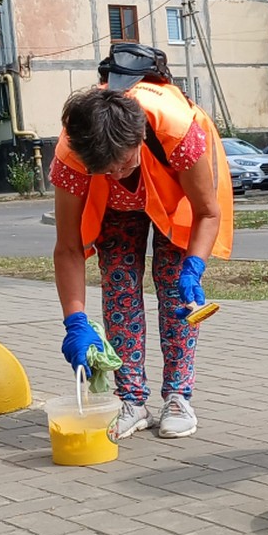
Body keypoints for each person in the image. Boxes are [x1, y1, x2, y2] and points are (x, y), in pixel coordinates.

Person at [51, 44, 234, 440]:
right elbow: (67, 247)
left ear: (139, 137)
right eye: (106, 169)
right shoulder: (72, 152)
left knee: (176, 293)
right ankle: (131, 398)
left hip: (174, 200)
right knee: (119, 291)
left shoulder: (177, 129)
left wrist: (195, 267)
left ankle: (178, 396)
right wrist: (75, 321)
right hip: (115, 212)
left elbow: (206, 211)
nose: (116, 173)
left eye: (123, 162)